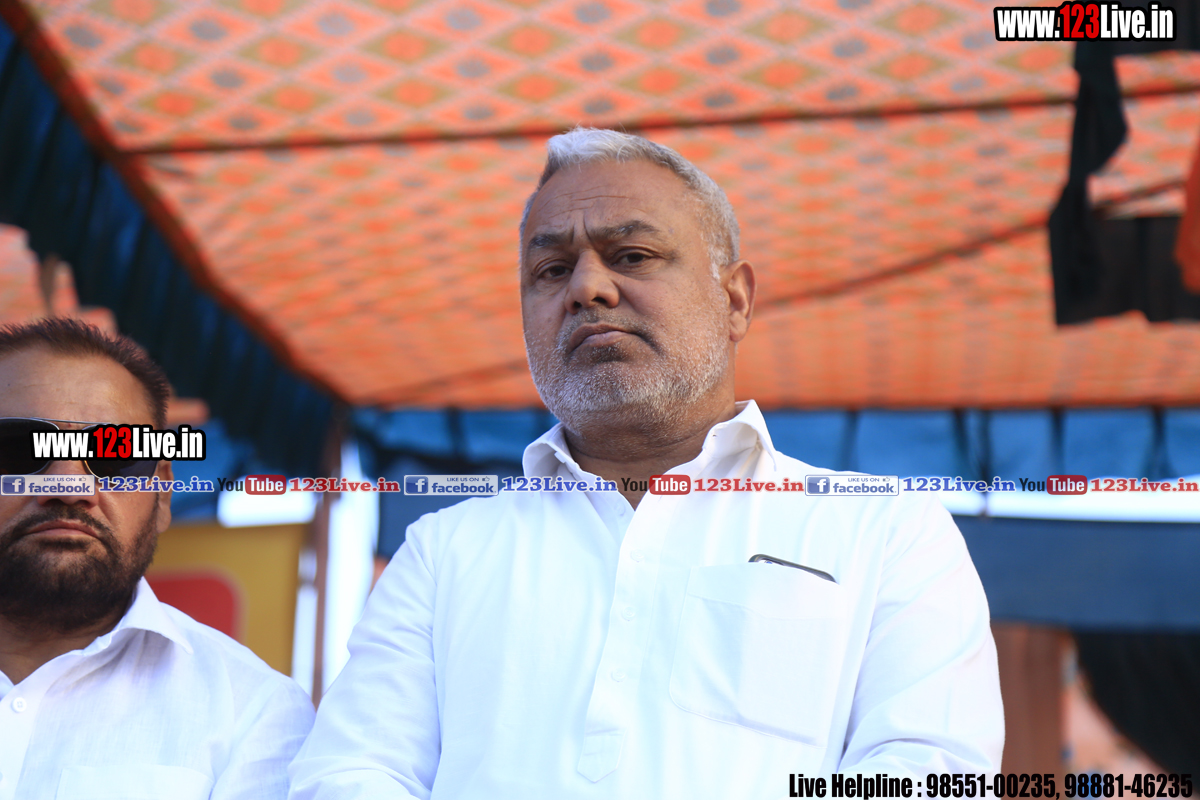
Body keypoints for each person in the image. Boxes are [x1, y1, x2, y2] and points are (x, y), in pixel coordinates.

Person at [288, 128, 1004, 799]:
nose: (587, 289)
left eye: (631, 256)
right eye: (551, 270)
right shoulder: (444, 553)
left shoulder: (886, 531)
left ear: (735, 299)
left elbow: (929, 771)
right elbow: (351, 772)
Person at [0, 318, 314, 800]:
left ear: (162, 494)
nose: (71, 487)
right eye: (20, 449)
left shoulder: (251, 712)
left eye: (115, 455)